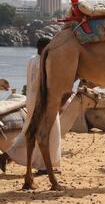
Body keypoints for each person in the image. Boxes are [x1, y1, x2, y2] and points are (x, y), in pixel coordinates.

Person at [0, 37, 61, 175]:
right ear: (45, 48)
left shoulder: (32, 59)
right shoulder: (43, 63)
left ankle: (7, 156)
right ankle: (43, 166)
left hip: (32, 101)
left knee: (29, 133)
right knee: (48, 133)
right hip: (43, 102)